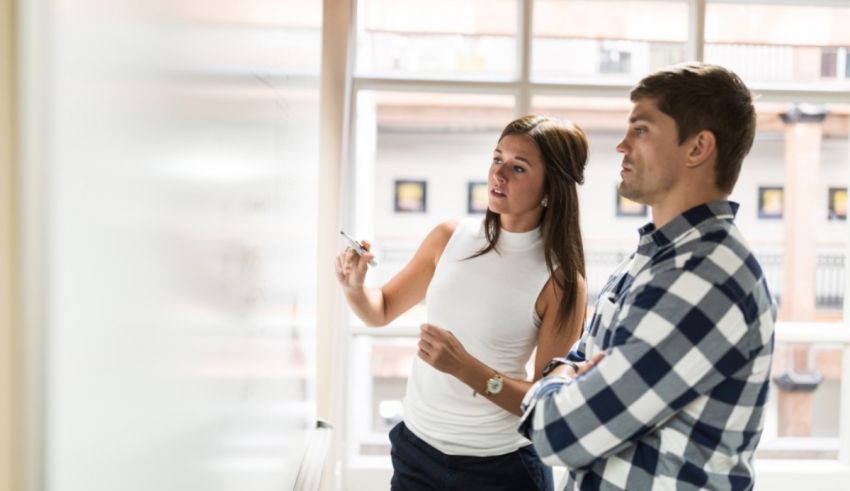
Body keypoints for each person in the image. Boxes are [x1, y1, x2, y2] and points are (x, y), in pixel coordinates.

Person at [519, 62, 776, 490]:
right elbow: (573, 361)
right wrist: (568, 376)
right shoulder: (654, 259)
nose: (622, 145)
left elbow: (559, 436)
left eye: (640, 129)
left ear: (697, 148)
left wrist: (558, 384)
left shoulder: (704, 279)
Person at [335, 115, 590, 490]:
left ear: (551, 188)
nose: (498, 174)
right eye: (497, 158)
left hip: (501, 469)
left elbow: (545, 404)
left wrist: (465, 367)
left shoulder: (562, 281)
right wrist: (355, 287)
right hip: (417, 453)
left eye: (518, 167)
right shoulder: (449, 238)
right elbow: (381, 310)